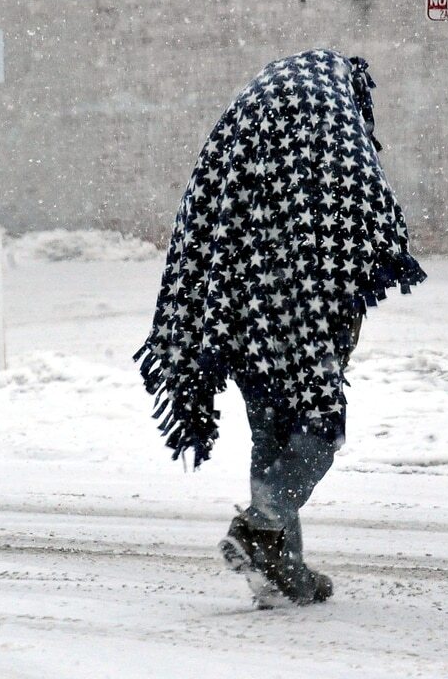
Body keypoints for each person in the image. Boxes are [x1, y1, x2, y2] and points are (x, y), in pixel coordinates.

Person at [134, 48, 426, 608]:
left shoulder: (243, 129)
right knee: (319, 430)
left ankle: (279, 572)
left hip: (234, 311)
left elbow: (201, 226)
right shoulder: (330, 123)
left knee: (270, 435)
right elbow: (365, 222)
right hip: (300, 314)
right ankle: (260, 526)